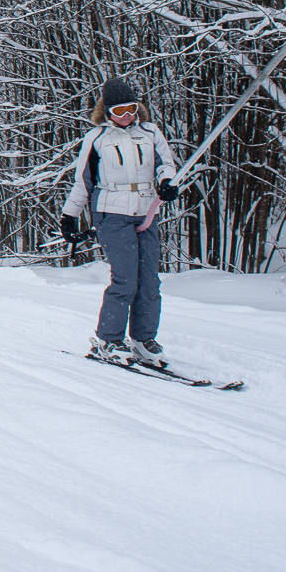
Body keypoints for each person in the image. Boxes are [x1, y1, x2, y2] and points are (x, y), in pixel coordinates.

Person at [60, 77, 181, 366]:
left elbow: (167, 163)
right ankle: (109, 340)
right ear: (107, 112)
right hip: (111, 213)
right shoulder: (98, 138)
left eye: (131, 109)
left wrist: (167, 181)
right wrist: (70, 216)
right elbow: (83, 181)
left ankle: (143, 339)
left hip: (145, 211)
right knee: (126, 278)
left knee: (149, 281)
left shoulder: (150, 132)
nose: (127, 116)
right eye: (119, 111)